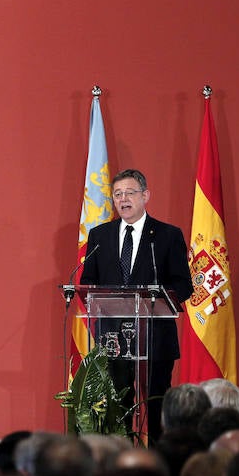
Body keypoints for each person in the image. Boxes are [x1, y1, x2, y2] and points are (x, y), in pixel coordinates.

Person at [80, 168, 194, 443]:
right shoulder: (100, 236)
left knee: (156, 404)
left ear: (145, 196)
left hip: (155, 336)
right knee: (117, 403)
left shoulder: (167, 236)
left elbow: (184, 285)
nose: (123, 199)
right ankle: (120, 457)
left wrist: (157, 298)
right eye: (117, 194)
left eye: (130, 193)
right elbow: (88, 284)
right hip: (113, 337)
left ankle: (158, 459)